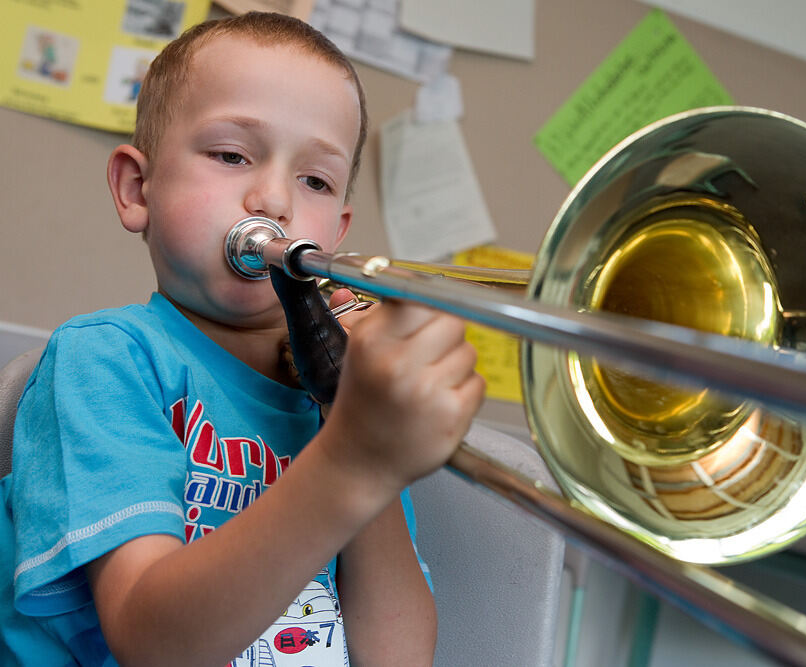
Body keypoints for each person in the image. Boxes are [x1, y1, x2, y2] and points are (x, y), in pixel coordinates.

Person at [0, 11, 484, 666]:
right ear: (138, 188)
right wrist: (351, 460)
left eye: (314, 180)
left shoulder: (351, 408)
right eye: (232, 155)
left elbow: (397, 654)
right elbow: (151, 640)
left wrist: (353, 421)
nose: (273, 199)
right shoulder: (106, 360)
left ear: (336, 231)